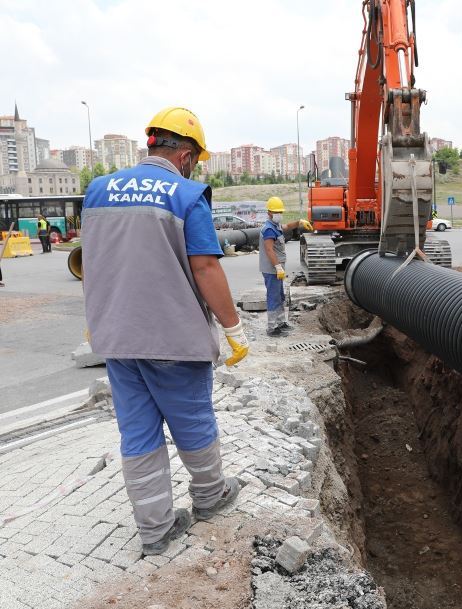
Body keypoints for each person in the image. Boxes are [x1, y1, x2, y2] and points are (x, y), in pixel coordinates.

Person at [81, 106, 249, 556]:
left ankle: (154, 530)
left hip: (116, 337)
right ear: (187, 154)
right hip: (172, 337)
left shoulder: (97, 190)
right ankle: (211, 497)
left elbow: (93, 261)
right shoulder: (186, 194)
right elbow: (206, 266)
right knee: (192, 422)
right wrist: (233, 326)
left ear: (152, 141)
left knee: (137, 433)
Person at [259, 196, 312, 336]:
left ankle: (281, 323)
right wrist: (277, 267)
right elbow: (269, 250)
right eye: (276, 212)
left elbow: (287, 227)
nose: (279, 215)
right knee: (273, 297)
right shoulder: (269, 229)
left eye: (280, 212)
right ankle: (272, 328)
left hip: (277, 268)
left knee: (280, 296)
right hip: (272, 270)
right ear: (269, 212)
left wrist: (299, 222)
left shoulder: (275, 226)